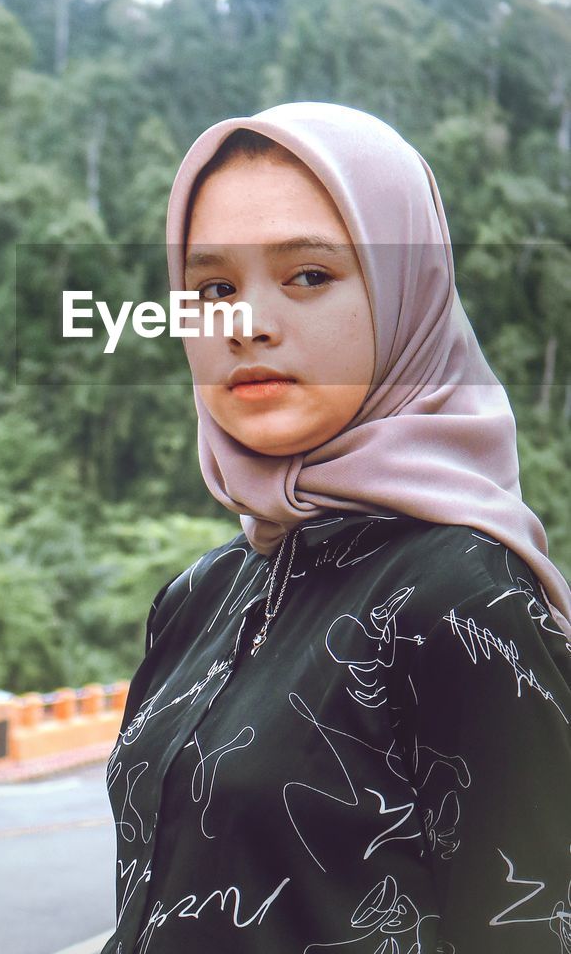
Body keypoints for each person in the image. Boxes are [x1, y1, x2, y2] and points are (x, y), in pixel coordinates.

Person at [101, 102, 571, 953]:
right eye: (213, 288)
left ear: (405, 296)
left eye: (309, 276)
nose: (246, 324)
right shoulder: (198, 598)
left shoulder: (461, 594)